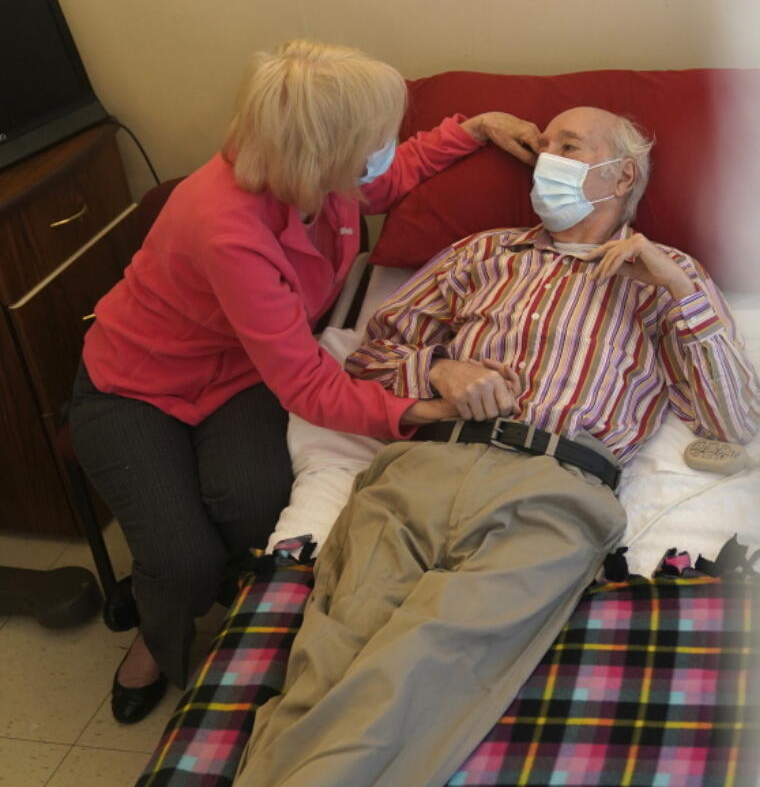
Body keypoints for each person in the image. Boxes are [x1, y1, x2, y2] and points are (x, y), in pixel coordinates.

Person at [234, 106, 760, 787]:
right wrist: (437, 369)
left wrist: (676, 287)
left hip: (553, 490)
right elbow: (371, 357)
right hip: (421, 468)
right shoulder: (481, 253)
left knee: (428, 652)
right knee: (329, 650)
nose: (546, 158)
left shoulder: (670, 280)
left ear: (621, 173)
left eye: (568, 145)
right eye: (542, 145)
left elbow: (733, 417)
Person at [68, 39, 540, 723]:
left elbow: (393, 172)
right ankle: (156, 629)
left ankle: (188, 585)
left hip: (236, 376)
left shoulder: (322, 179)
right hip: (134, 384)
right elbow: (311, 389)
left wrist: (471, 129)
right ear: (320, 150)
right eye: (369, 139)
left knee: (257, 502)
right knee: (181, 555)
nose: (382, 147)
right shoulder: (226, 228)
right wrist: (420, 408)